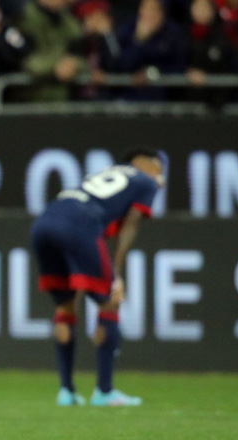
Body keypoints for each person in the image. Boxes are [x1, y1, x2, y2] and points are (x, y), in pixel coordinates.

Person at [31, 147, 165, 407]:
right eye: (159, 168)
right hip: (80, 224)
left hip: (44, 223)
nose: (161, 176)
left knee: (65, 305)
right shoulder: (146, 181)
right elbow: (131, 224)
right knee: (109, 301)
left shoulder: (105, 174)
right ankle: (104, 391)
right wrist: (116, 274)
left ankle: (66, 391)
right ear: (145, 163)